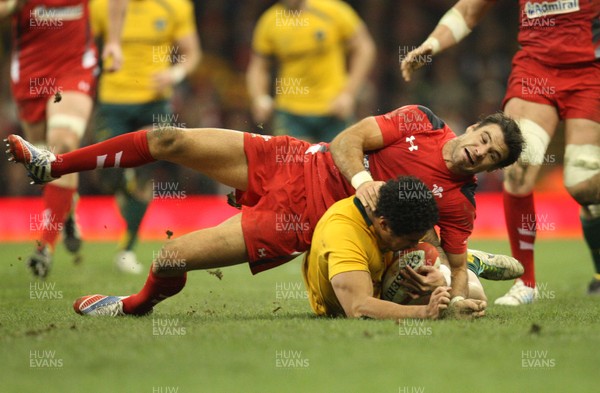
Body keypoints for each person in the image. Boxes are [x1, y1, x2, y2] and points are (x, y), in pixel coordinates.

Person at [5, 104, 523, 316]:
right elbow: (348, 140)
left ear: (491, 167)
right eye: (483, 139)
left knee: (170, 258)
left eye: (491, 155)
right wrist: (363, 179)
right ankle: (54, 164)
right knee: (169, 138)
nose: (479, 151)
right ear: (473, 128)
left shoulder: (460, 203)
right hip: (292, 158)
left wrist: (456, 302)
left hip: (300, 223)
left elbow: (454, 268)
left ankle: (135, 305)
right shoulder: (422, 121)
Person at [401, 0, 600, 303]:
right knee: (519, 169)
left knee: (582, 186)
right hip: (536, 70)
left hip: (590, 71)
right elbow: (469, 10)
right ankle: (527, 284)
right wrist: (432, 43)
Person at [0, 0, 127, 278]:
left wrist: (114, 41)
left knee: (63, 144)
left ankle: (44, 247)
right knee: (41, 162)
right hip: (30, 72)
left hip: (74, 67)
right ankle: (67, 208)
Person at [90, 0, 201, 273]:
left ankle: (126, 249)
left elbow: (192, 53)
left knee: (145, 169)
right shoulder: (100, 5)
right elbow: (83, 47)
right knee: (109, 175)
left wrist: (175, 73)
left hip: (154, 102)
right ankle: (122, 179)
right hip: (113, 100)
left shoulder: (175, 6)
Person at [303, 176, 488, 320]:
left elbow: (428, 245)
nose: (415, 245)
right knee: (468, 295)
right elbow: (358, 307)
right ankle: (470, 262)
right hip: (352, 303)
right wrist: (424, 312)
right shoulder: (343, 232)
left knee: (476, 296)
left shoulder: (401, 211)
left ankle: (469, 264)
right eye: (411, 241)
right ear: (384, 225)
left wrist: (441, 280)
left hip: (384, 280)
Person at [247, 0, 375, 142]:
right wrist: (259, 97)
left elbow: (364, 48)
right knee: (295, 162)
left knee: (337, 161)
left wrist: (349, 93)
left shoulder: (332, 10)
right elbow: (258, 66)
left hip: (333, 108)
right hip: (291, 111)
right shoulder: (270, 21)